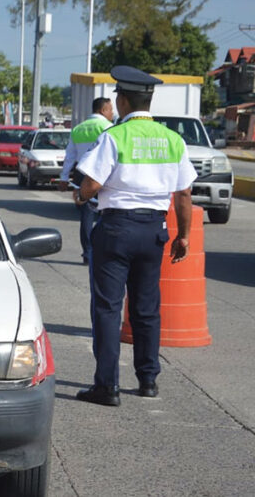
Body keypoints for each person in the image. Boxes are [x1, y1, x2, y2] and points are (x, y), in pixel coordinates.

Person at [73, 66, 197, 407]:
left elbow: (92, 183)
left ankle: (107, 387)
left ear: (123, 100)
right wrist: (183, 237)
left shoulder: (114, 137)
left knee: (108, 309)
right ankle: (148, 380)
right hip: (154, 232)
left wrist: (81, 196)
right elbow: (184, 193)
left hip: (116, 229)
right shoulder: (173, 139)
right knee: (146, 308)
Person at [59, 97, 114, 264]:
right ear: (103, 110)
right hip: (104, 175)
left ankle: (87, 254)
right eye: (111, 110)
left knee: (86, 216)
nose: (113, 113)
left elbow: (70, 156)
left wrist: (64, 178)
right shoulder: (109, 128)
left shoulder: (78, 129)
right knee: (108, 214)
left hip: (82, 176)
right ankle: (103, 251)